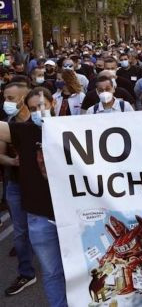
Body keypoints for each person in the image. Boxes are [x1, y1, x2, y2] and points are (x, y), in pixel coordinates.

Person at [0, 87, 68, 307]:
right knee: (52, 272)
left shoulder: (74, 128)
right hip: (40, 217)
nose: (39, 112)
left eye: (42, 106)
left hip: (73, 215)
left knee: (82, 269)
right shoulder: (23, 131)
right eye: (32, 109)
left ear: (53, 104)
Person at [0, 83, 37, 297]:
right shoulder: (6, 126)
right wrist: (13, 162)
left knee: (48, 230)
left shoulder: (40, 122)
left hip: (42, 188)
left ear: (24, 100)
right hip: (16, 185)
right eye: (5, 97)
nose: (7, 102)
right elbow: (0, 155)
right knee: (21, 232)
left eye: (12, 98)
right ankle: (26, 272)